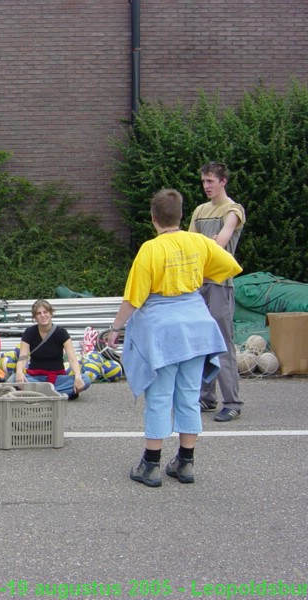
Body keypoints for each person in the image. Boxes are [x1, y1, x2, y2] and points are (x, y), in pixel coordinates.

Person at [107, 189, 242, 487]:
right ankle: (185, 463)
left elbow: (134, 297)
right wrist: (195, 279)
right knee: (189, 396)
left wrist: (116, 328)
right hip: (196, 327)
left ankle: (151, 466)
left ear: (153, 218)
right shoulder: (198, 242)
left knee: (158, 397)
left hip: (163, 331)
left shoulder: (150, 250)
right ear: (182, 216)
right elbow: (229, 267)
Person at [188, 161, 246, 422]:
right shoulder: (199, 210)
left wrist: (199, 245)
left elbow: (220, 244)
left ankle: (232, 402)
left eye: (211, 181)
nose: (206, 186)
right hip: (199, 285)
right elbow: (188, 245)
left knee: (222, 343)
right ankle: (206, 398)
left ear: (223, 181)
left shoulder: (233, 210)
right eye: (203, 181)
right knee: (201, 343)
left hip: (221, 285)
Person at [14, 299, 89, 399]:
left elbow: (72, 358)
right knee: (13, 379)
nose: (43, 315)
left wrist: (78, 377)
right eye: (39, 313)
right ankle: (57, 394)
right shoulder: (29, 332)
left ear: (51, 313)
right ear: (35, 317)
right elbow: (23, 357)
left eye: (45, 312)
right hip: (35, 378)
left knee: (86, 379)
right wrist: (19, 371)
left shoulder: (61, 333)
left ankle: (39, 394)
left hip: (58, 378)